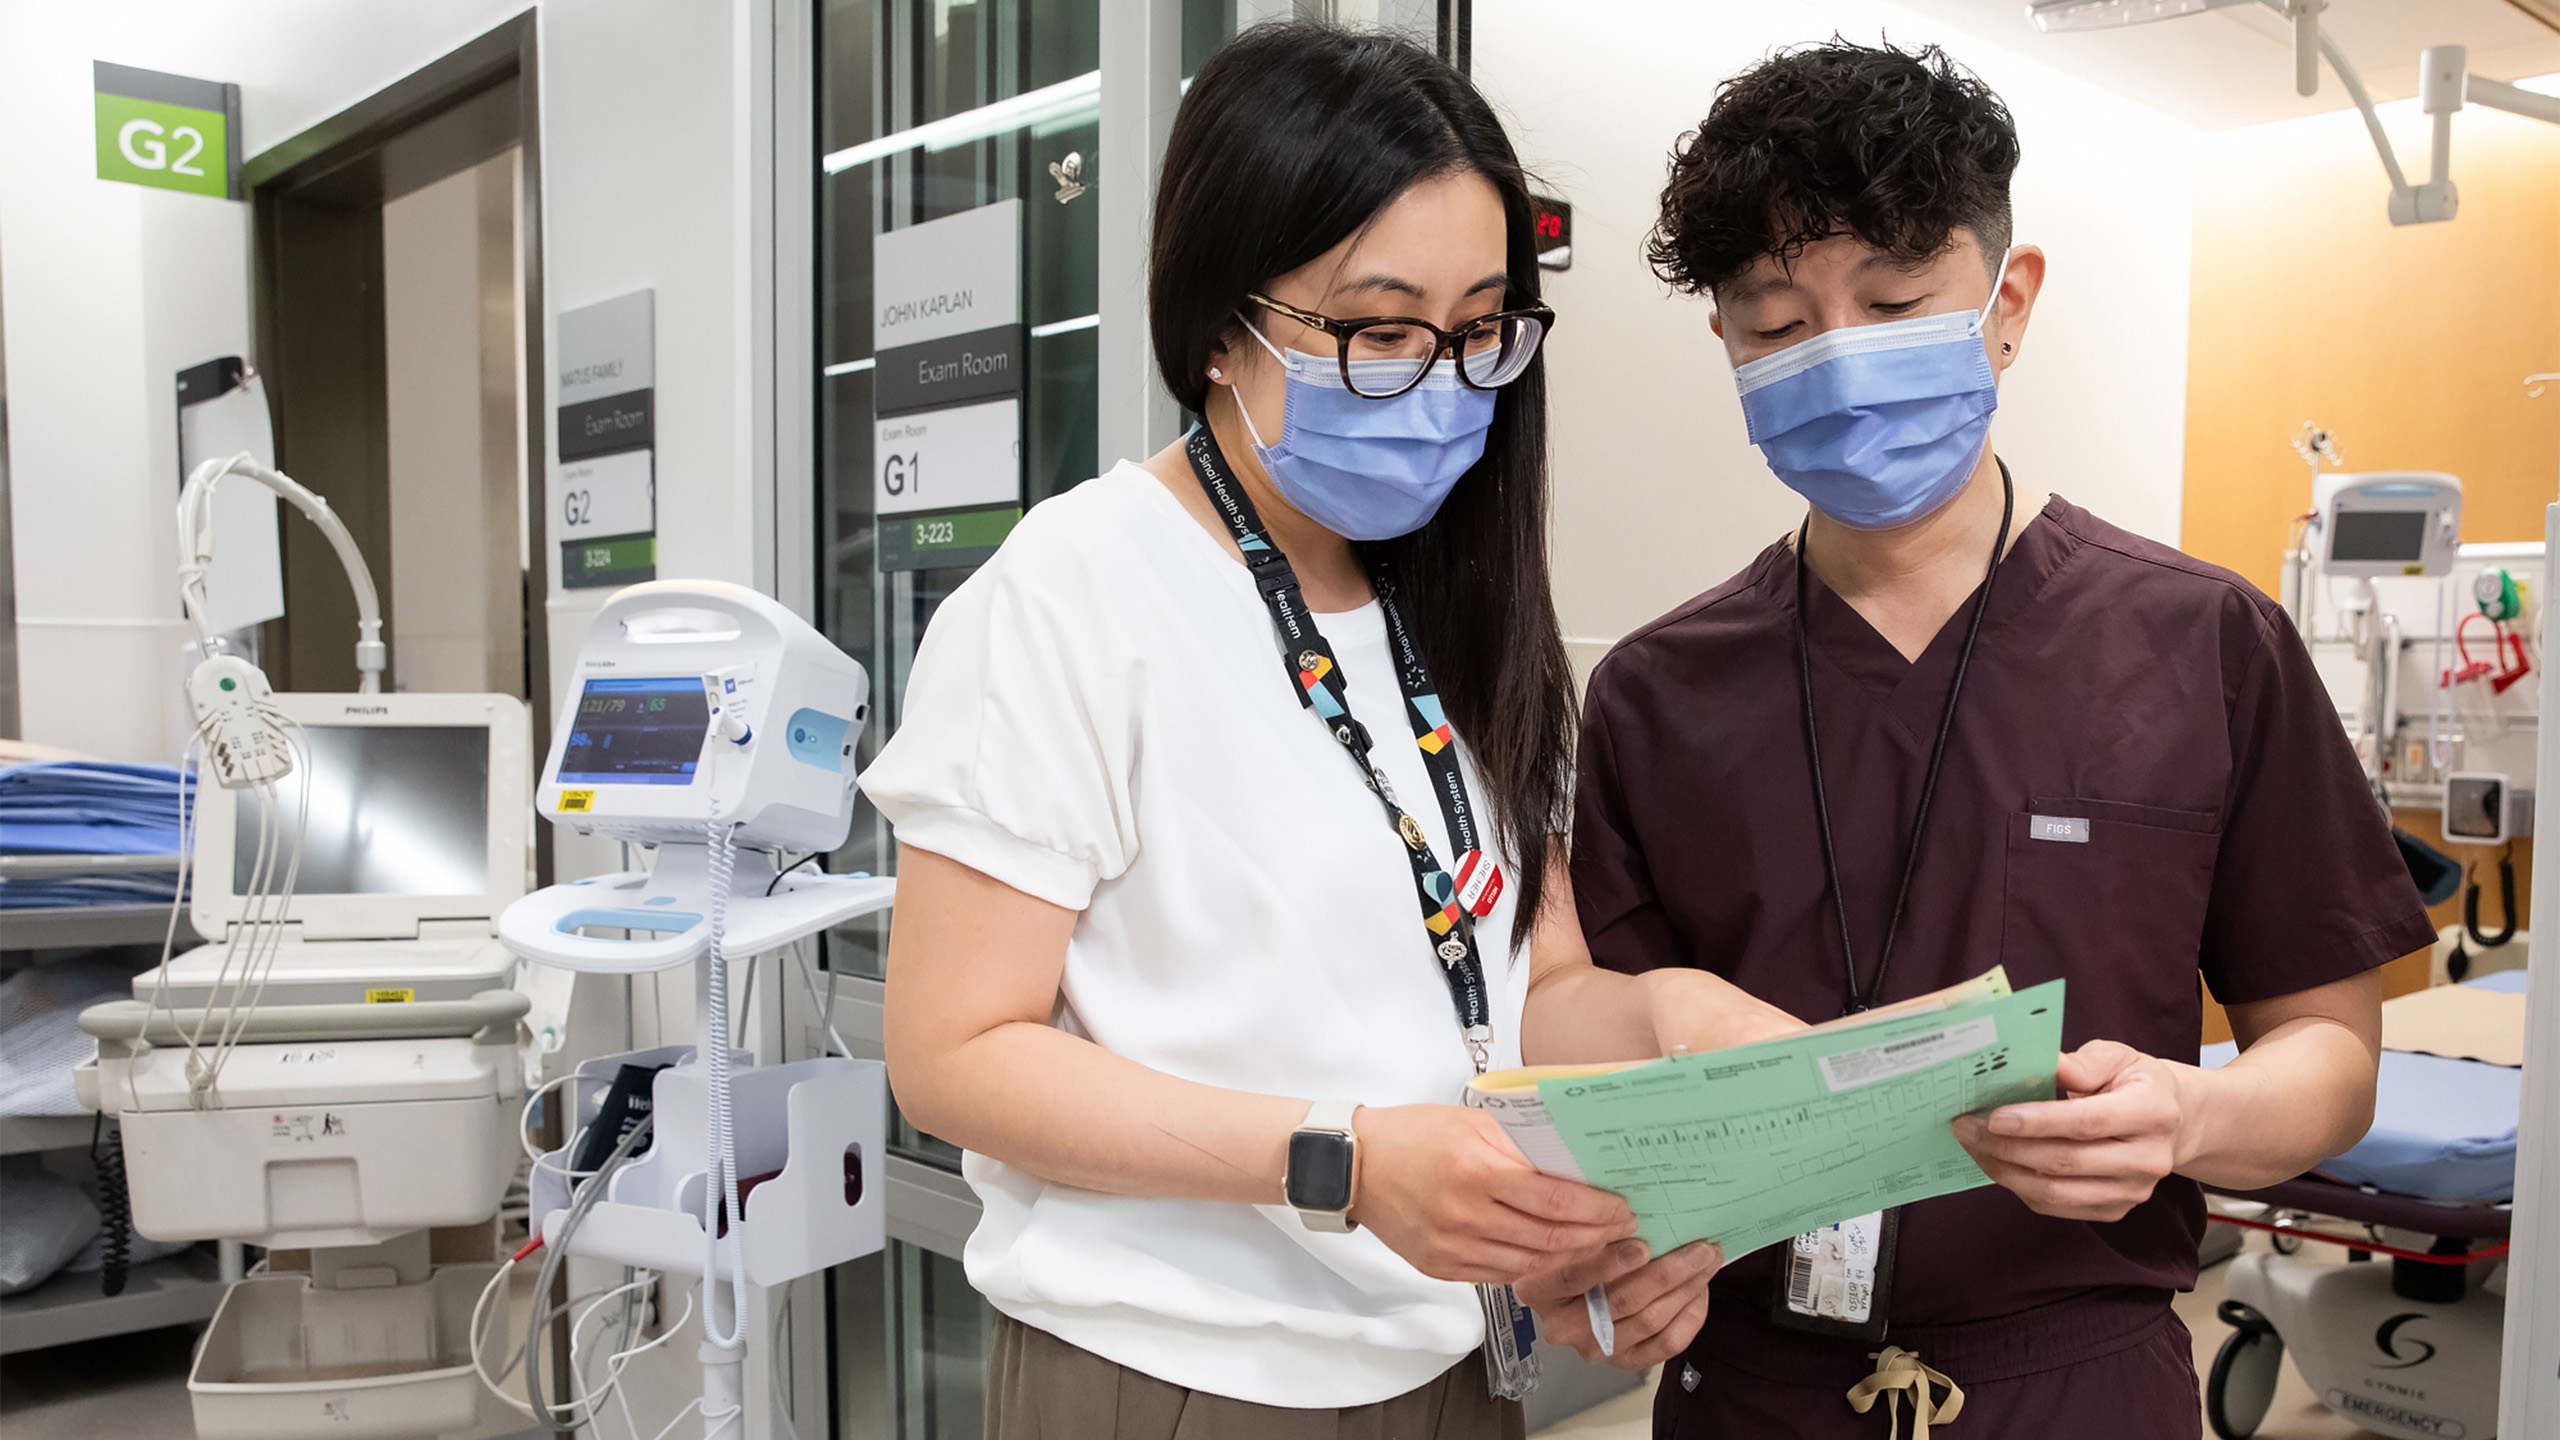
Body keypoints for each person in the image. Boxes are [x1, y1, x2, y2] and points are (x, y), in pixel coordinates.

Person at [865, 24, 1793, 1438]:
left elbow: (1525, 990)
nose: (1441, 379)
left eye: (1482, 327)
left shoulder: (1457, 601)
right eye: (1378, 328)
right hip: (1178, 1378)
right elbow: (956, 1056)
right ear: (1226, 327)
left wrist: (1662, 1028)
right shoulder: (1074, 595)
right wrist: (1341, 1163)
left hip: (1452, 1365)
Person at [1519, 41, 2434, 1438]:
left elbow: (2330, 1054)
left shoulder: (2203, 645)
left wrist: (2185, 1117)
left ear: (2009, 304)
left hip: (2080, 1377)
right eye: (1775, 325)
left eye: (1892, 304)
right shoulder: (1655, 694)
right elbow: (1613, 1083)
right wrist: (1609, 1266)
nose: (1834, 365)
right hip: (1757, 1382)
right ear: (1726, 343)